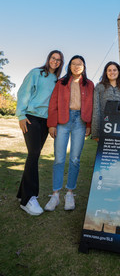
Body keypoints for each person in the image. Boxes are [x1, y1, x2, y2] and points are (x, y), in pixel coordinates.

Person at [16, 50, 64, 216]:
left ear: (60, 63)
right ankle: (28, 198)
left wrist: (52, 123)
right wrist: (21, 115)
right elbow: (24, 93)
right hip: (31, 118)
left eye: (58, 60)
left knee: (34, 154)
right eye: (53, 58)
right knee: (34, 154)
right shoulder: (36, 73)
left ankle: (21, 193)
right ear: (48, 59)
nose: (55, 61)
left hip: (45, 122)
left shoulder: (57, 81)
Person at [45, 55, 94, 211]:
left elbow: (92, 105)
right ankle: (55, 195)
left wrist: (89, 124)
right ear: (69, 66)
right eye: (74, 64)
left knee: (74, 159)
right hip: (62, 122)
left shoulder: (89, 84)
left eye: (80, 64)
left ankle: (70, 193)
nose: (77, 66)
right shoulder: (61, 83)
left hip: (80, 121)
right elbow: (53, 103)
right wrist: (52, 125)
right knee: (59, 159)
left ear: (84, 67)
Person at [91, 61, 120, 140]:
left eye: (114, 70)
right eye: (109, 70)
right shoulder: (99, 88)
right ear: (106, 72)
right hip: (105, 128)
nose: (112, 72)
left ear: (119, 72)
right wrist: (96, 133)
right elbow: (96, 110)